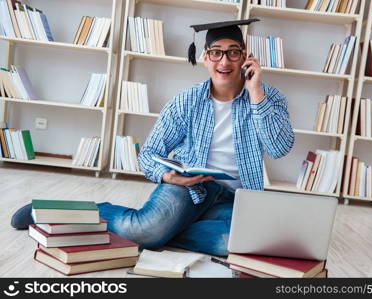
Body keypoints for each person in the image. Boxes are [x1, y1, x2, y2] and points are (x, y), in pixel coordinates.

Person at [11, 19, 294, 257]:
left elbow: (279, 148)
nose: (225, 60)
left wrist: (256, 94)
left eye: (233, 52)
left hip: (237, 197)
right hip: (191, 188)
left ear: (246, 57)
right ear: (205, 57)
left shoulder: (269, 98)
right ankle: (71, 212)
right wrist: (169, 176)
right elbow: (148, 154)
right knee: (143, 231)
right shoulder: (186, 102)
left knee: (230, 243)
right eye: (216, 52)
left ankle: (162, 231)